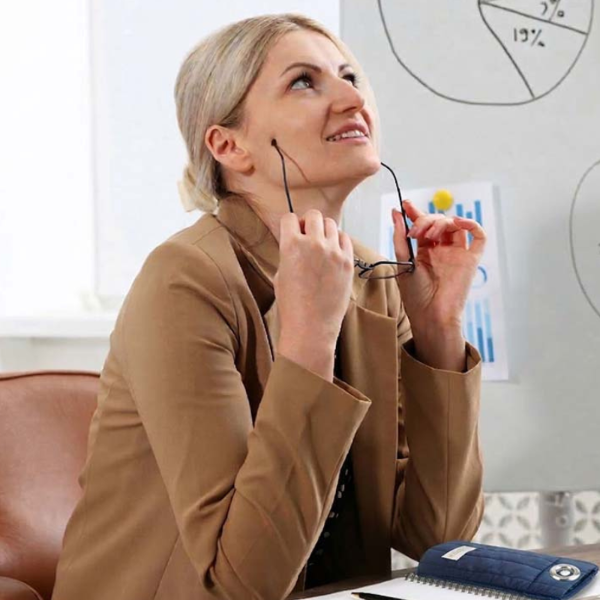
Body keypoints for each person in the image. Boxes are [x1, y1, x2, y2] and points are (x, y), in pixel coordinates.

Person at [52, 13, 486, 600]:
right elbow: (243, 582)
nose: (353, 98)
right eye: (304, 82)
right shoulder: (184, 279)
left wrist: (438, 333)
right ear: (229, 146)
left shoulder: (372, 278)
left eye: (349, 76)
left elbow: (439, 535)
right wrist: (310, 341)